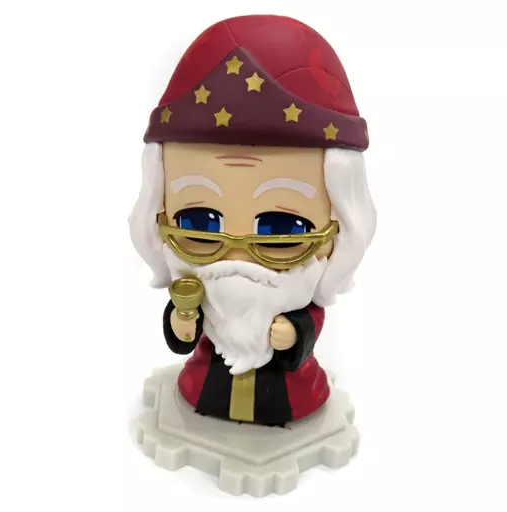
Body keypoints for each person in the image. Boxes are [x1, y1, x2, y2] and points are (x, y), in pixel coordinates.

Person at [129, 14, 376, 426]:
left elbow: (308, 324)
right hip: (203, 385)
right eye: (200, 222)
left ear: (339, 228)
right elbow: (182, 333)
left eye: (281, 227)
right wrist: (183, 322)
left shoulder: (294, 296)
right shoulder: (201, 287)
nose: (238, 255)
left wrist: (293, 336)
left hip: (292, 395)